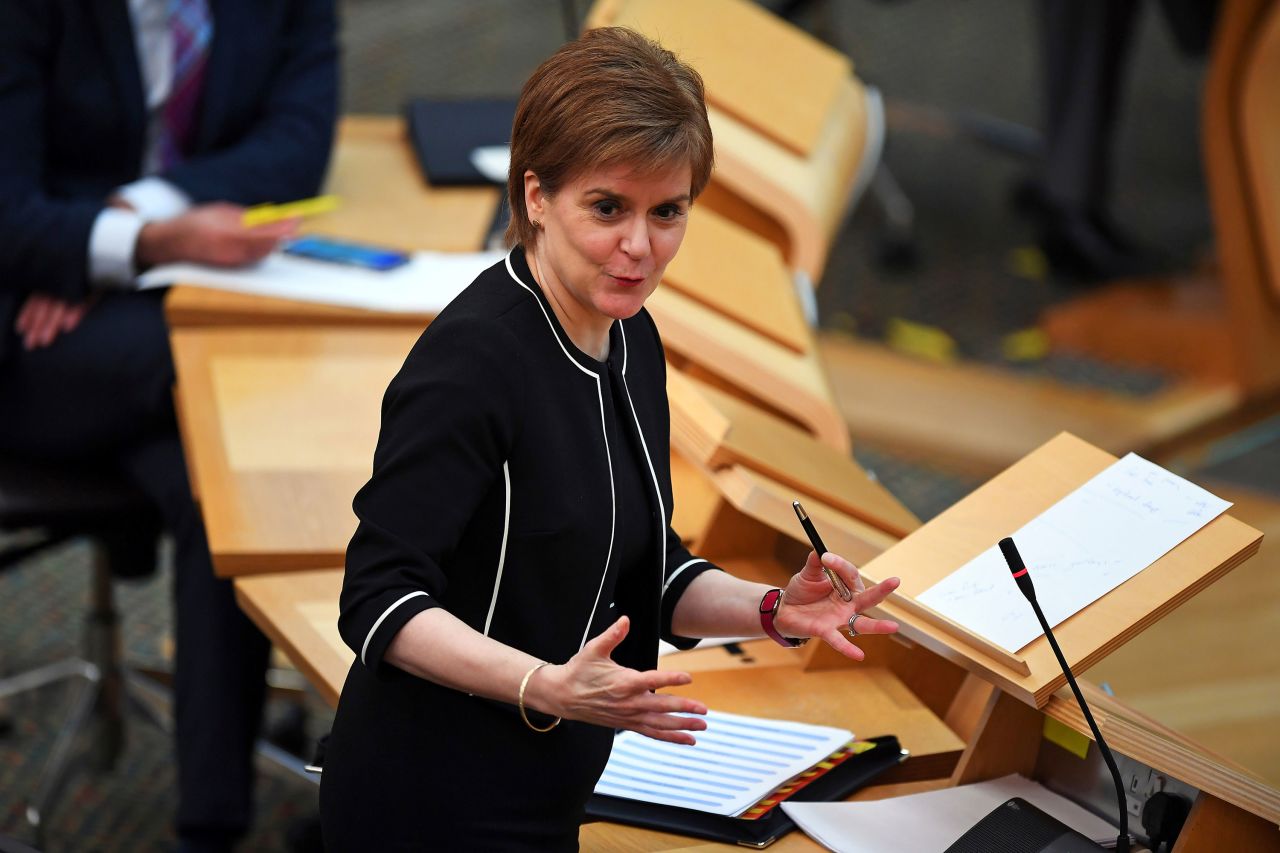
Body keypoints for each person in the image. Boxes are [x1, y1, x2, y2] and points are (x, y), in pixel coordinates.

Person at [319, 27, 901, 851]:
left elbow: (646, 563)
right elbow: (377, 599)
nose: (641, 247)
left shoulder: (632, 337)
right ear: (536, 197)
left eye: (667, 212)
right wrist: (544, 684)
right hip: (434, 799)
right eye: (608, 208)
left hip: (556, 778)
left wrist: (772, 608)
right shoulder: (473, 360)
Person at [0, 1, 338, 849]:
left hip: (139, 312)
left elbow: (297, 150)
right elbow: (6, 211)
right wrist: (139, 245)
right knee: (242, 386)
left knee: (214, 482)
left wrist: (123, 222)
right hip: (26, 342)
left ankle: (210, 827)